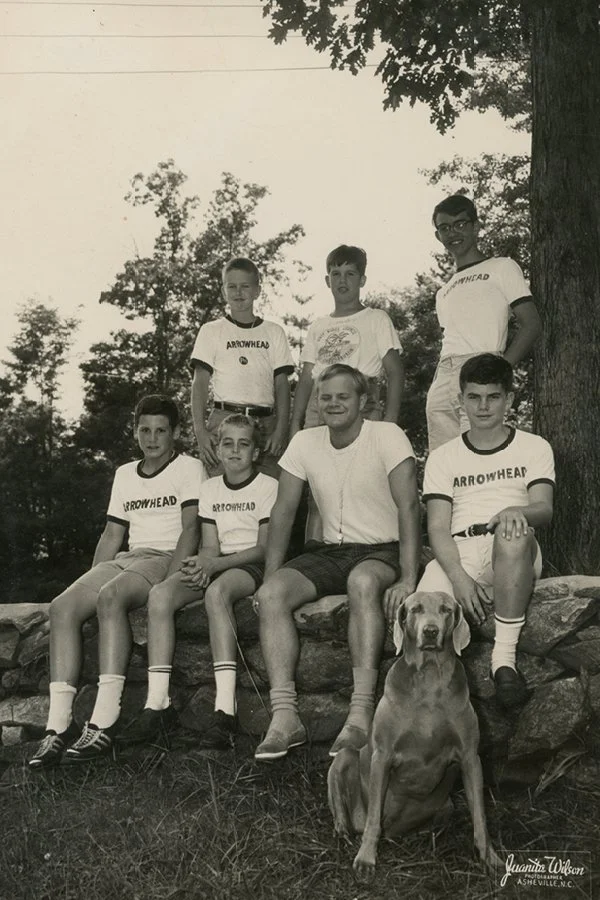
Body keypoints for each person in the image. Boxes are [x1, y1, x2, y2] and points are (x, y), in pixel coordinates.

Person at [253, 363, 421, 762]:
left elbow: (410, 506)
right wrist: (271, 573)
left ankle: (360, 715)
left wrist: (410, 576)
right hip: (330, 552)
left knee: (363, 582)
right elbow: (283, 511)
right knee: (274, 594)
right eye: (325, 397)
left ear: (363, 401)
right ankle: (284, 716)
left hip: (384, 548)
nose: (333, 404)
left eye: (343, 396)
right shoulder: (305, 443)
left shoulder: (387, 435)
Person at [28, 396, 206, 769]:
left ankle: (103, 719)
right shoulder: (125, 473)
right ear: (135, 431)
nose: (152, 438)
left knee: (112, 597)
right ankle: (57, 727)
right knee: (62, 607)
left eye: (161, 430)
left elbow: (191, 528)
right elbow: (112, 534)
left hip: (163, 558)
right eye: (145, 430)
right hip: (130, 557)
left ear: (175, 432)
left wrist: (171, 581)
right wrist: (88, 583)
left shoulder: (189, 468)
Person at [119, 414, 278, 751]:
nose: (234, 451)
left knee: (218, 593)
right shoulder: (209, 488)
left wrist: (214, 565)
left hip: (250, 565)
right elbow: (209, 544)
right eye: (227, 443)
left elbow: (264, 548)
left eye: (243, 444)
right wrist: (201, 564)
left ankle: (225, 710)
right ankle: (157, 703)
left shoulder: (268, 486)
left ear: (256, 452)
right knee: (161, 594)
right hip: (218, 561)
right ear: (217, 449)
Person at [418, 353, 554, 708]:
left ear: (508, 399)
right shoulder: (444, 456)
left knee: (513, 531)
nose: (483, 406)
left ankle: (503, 662)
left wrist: (516, 510)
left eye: (493, 397)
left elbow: (543, 508)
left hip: (512, 550)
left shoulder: (534, 446)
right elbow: (437, 526)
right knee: (423, 616)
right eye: (474, 397)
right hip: (459, 551)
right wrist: (460, 579)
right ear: (461, 399)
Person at [426, 195, 542, 451]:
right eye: (445, 228)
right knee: (443, 459)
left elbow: (532, 324)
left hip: (482, 365)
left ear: (475, 226)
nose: (453, 233)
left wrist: (498, 369)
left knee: (480, 455)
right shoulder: (443, 291)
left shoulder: (502, 267)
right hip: (444, 375)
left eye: (460, 224)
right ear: (438, 236)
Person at [191, 257, 295, 478]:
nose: (239, 292)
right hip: (224, 419)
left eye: (245, 286)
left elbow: (282, 386)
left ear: (257, 290)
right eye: (232, 286)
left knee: (267, 495)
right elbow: (199, 383)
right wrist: (200, 431)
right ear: (223, 291)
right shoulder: (211, 331)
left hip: (265, 423)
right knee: (219, 492)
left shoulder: (273, 332)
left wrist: (280, 430)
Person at [290, 244, 404, 437]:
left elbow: (395, 372)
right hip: (319, 403)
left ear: (362, 280)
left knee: (360, 462)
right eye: (336, 274)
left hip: (361, 401)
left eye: (350, 274)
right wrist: (295, 423)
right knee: (317, 462)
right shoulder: (319, 325)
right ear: (328, 280)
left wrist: (390, 422)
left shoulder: (376, 318)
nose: (342, 280)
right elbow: (306, 379)